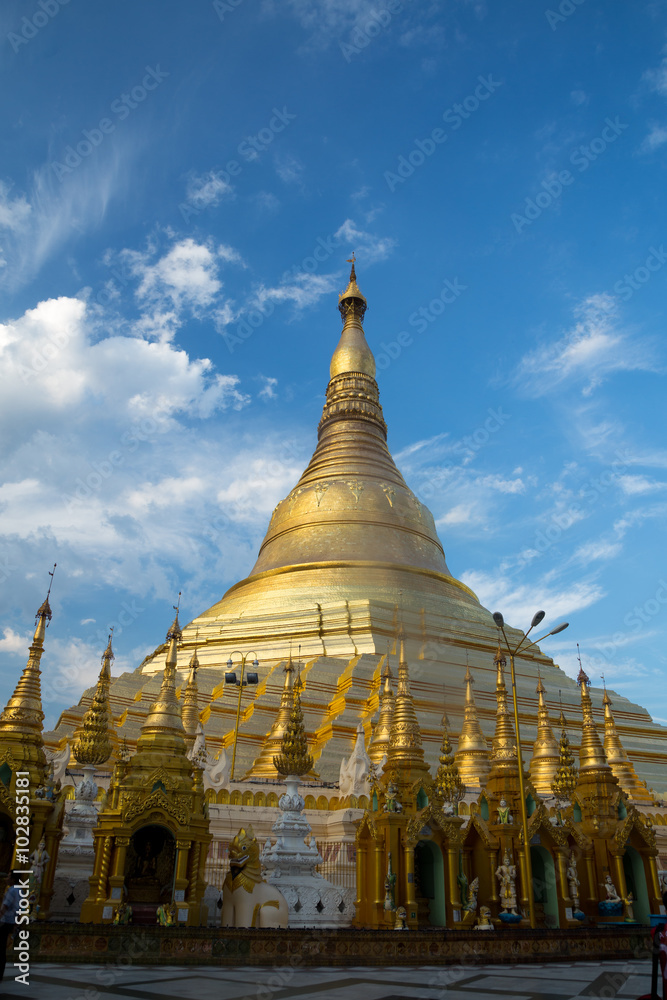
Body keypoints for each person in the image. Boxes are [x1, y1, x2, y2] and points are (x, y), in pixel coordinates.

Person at [0, 873, 21, 981]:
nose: (6, 879)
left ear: (13, 879)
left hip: (4, 921)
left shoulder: (11, 890)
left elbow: (5, 906)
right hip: (11, 921)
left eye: (8, 877)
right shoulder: (19, 890)